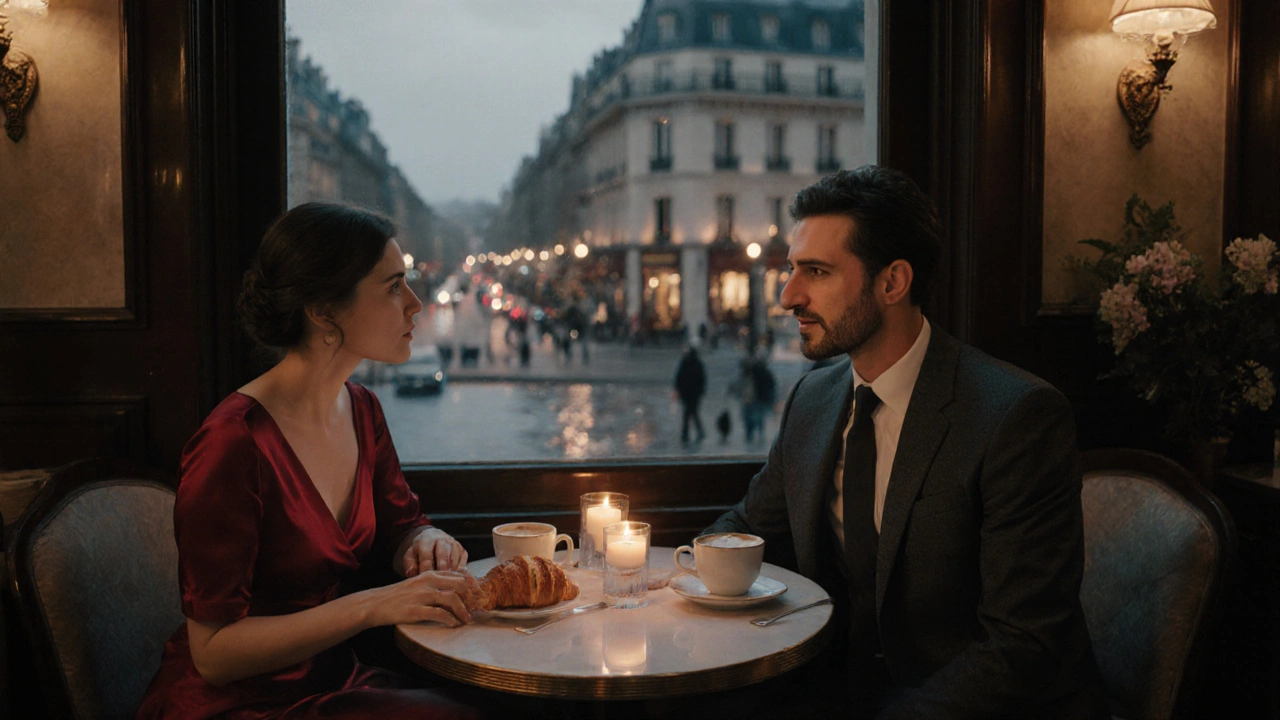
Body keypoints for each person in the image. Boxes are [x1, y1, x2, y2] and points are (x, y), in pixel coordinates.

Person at [702, 166, 1107, 719]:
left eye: (816, 271)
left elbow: (1022, 645)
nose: (788, 296)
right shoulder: (813, 400)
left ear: (892, 282)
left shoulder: (1016, 417)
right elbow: (749, 529)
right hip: (841, 690)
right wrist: (655, 577)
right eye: (792, 269)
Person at [138, 203, 485, 720]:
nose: (415, 304)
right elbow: (212, 654)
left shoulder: (363, 410)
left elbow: (402, 525)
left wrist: (425, 541)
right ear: (323, 311)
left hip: (332, 678)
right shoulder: (232, 443)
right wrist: (371, 606)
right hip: (238, 704)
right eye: (394, 287)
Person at [674, 344, 707, 443]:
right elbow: (702, 379)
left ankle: (686, 434)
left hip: (687, 393)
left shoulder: (685, 363)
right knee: (692, 412)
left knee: (688, 413)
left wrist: (678, 390)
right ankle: (697, 432)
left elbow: (679, 378)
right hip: (694, 393)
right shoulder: (697, 363)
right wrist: (701, 391)